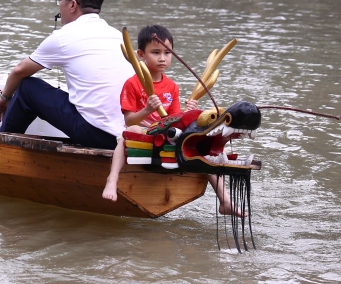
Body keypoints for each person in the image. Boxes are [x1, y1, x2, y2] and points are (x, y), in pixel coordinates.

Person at [102, 24, 240, 215]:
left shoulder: (172, 86)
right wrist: (147, 110)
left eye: (167, 53)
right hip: (143, 132)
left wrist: (188, 112)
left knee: (200, 146)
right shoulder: (132, 83)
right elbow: (130, 120)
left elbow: (174, 119)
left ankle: (225, 201)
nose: (162, 58)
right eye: (155, 52)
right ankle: (112, 180)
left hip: (166, 133)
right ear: (141, 55)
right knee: (126, 136)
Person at [0, 0, 133, 150]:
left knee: (27, 86)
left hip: (96, 133)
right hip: (125, 135)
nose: (59, 6)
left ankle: (0, 146)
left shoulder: (64, 36)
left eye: (60, 0)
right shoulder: (117, 36)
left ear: (72, 5)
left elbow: (19, 71)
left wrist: (5, 97)